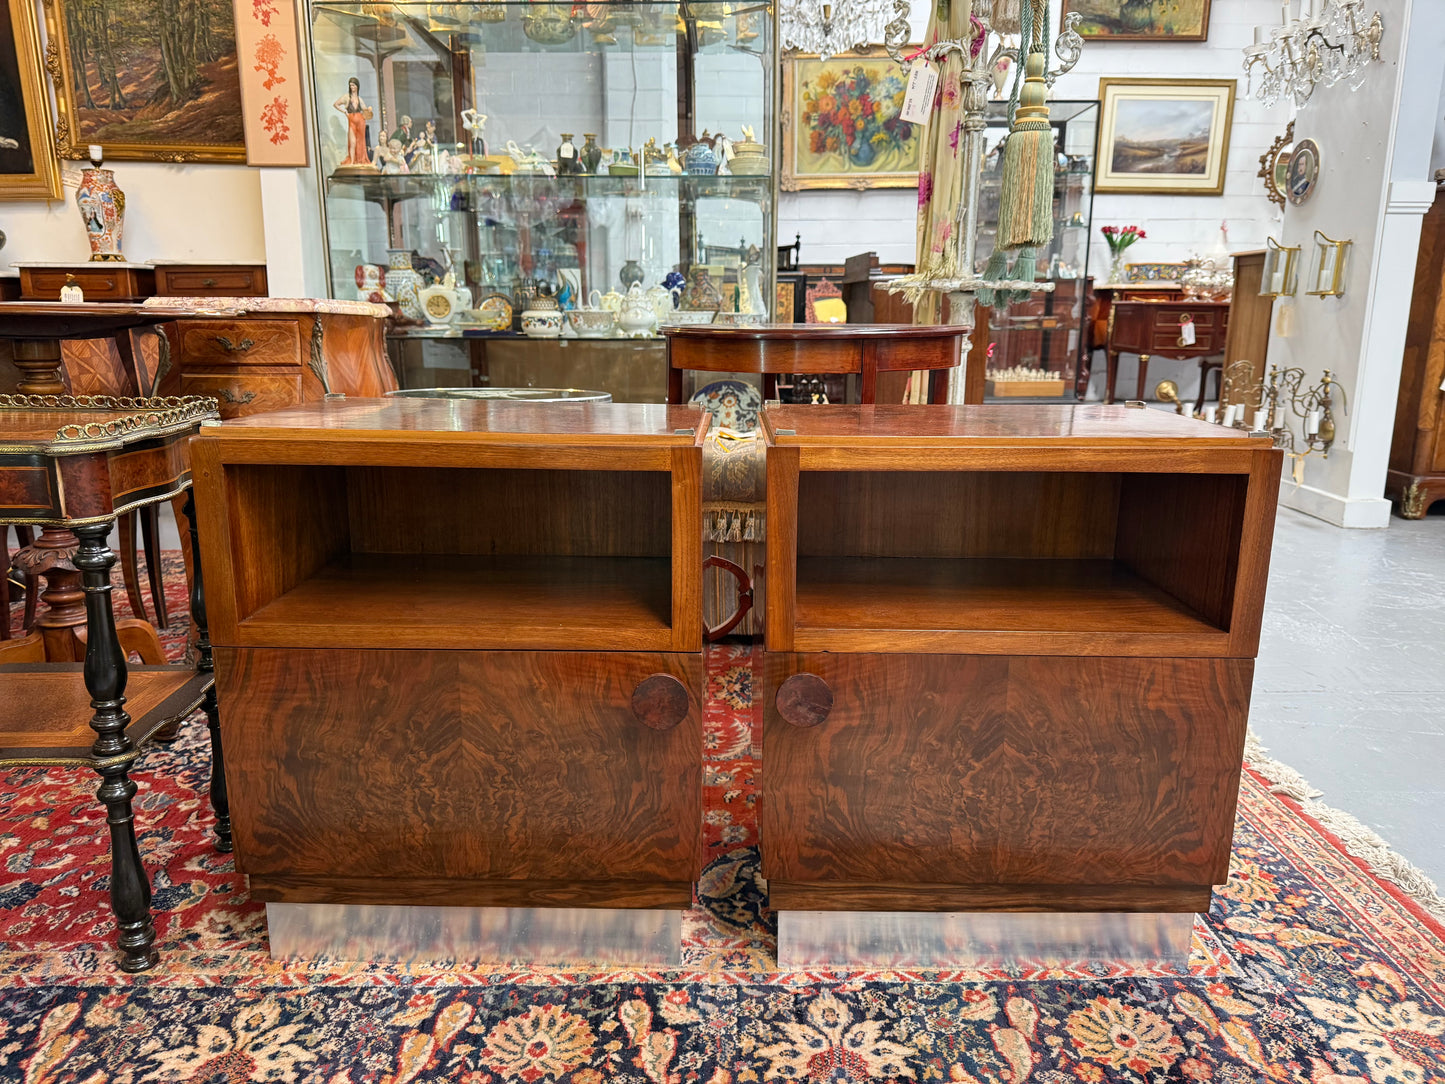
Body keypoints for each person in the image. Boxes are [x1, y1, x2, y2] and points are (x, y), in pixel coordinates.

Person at [332, 78, 372, 166]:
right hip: (352, 120)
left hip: (360, 120)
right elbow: (336, 104)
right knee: (352, 142)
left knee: (360, 141)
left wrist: (368, 109)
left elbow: (365, 110)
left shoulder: (359, 99)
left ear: (357, 86)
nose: (352, 87)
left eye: (353, 85)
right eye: (350, 85)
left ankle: (360, 159)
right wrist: (344, 112)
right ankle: (352, 161)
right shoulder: (346, 97)